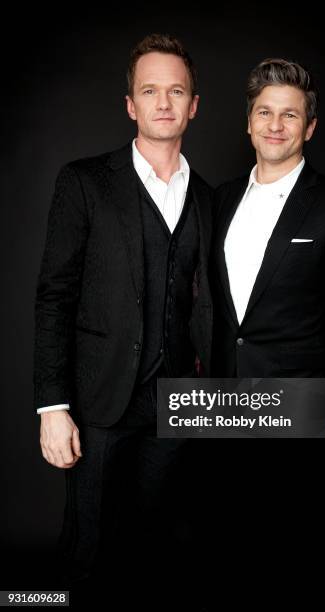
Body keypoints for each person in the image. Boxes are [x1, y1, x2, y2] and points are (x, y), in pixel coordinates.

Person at [33, 33, 213, 597]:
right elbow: (54, 295)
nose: (164, 102)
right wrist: (52, 406)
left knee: (156, 549)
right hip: (99, 404)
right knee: (86, 555)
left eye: (176, 90)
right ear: (131, 105)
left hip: (176, 408)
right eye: (151, 91)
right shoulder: (84, 182)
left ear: (193, 105)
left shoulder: (208, 197)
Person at [210, 58, 325, 436]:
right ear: (249, 122)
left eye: (290, 115)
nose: (275, 125)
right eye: (265, 112)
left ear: (310, 127)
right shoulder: (221, 199)